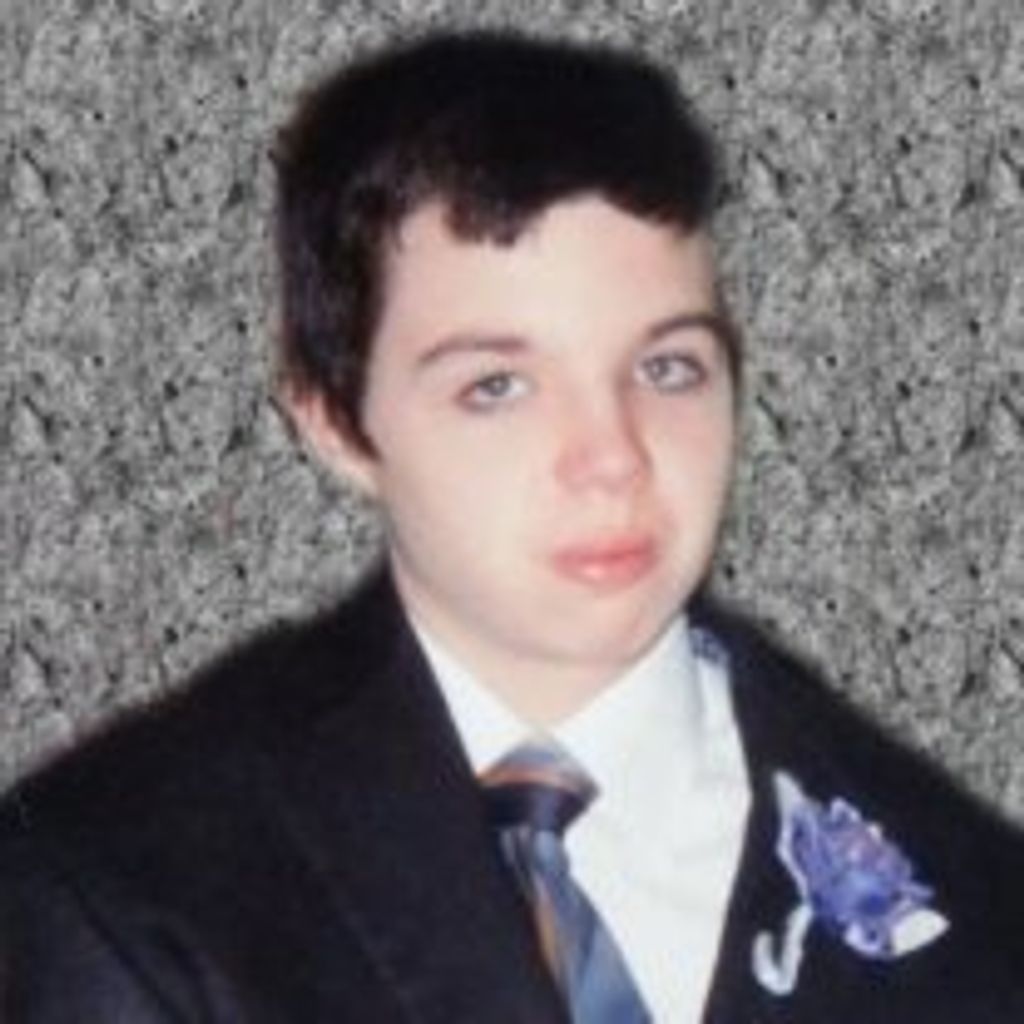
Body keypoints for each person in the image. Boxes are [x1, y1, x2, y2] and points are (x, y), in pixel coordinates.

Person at [1, 31, 1022, 1023]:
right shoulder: (122, 889)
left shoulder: (976, 900)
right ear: (335, 422)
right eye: (496, 386)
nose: (613, 456)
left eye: (667, 367)